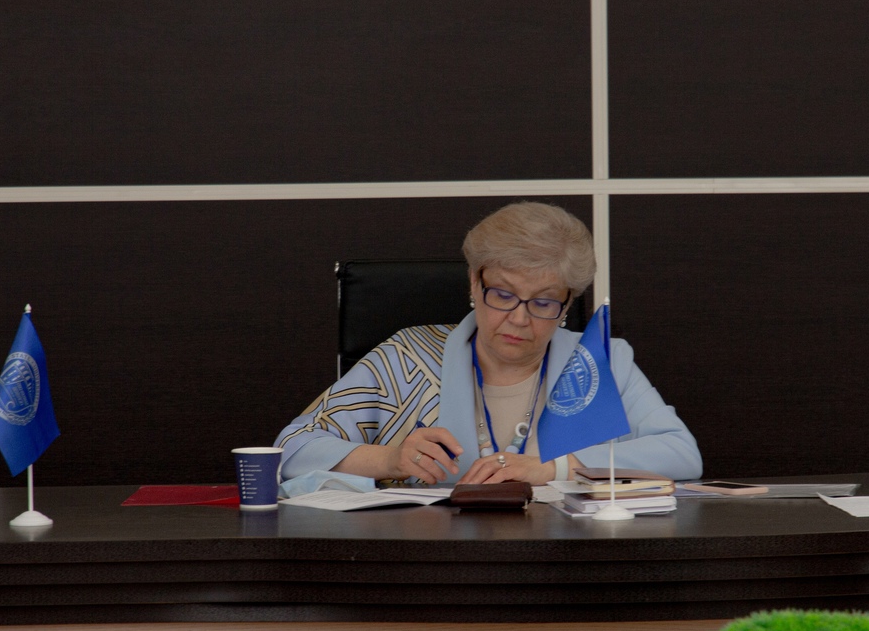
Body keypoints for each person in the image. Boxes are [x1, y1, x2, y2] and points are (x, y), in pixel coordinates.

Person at [276, 202, 702, 486]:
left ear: (568, 302)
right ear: (473, 282)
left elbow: (682, 454)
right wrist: (389, 460)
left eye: (543, 302)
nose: (519, 318)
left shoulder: (598, 362)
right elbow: (290, 449)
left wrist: (552, 469)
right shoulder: (409, 357)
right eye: (502, 294)